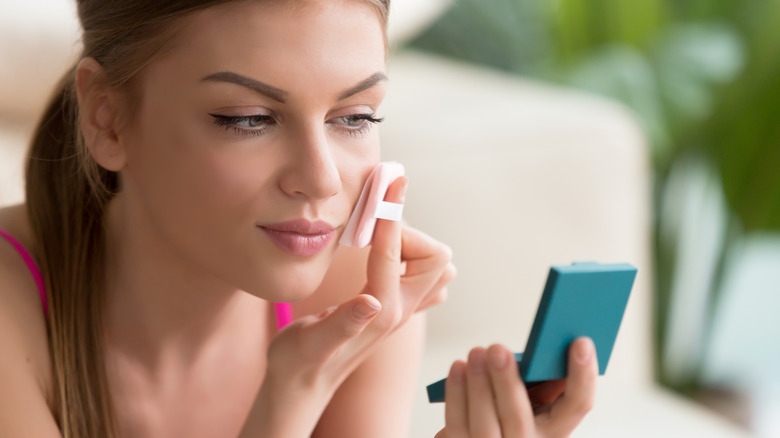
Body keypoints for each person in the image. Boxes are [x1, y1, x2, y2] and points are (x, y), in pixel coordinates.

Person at [0, 0, 598, 436]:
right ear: (107, 119)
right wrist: (295, 392)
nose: (322, 180)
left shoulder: (359, 298)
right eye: (248, 118)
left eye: (356, 117)